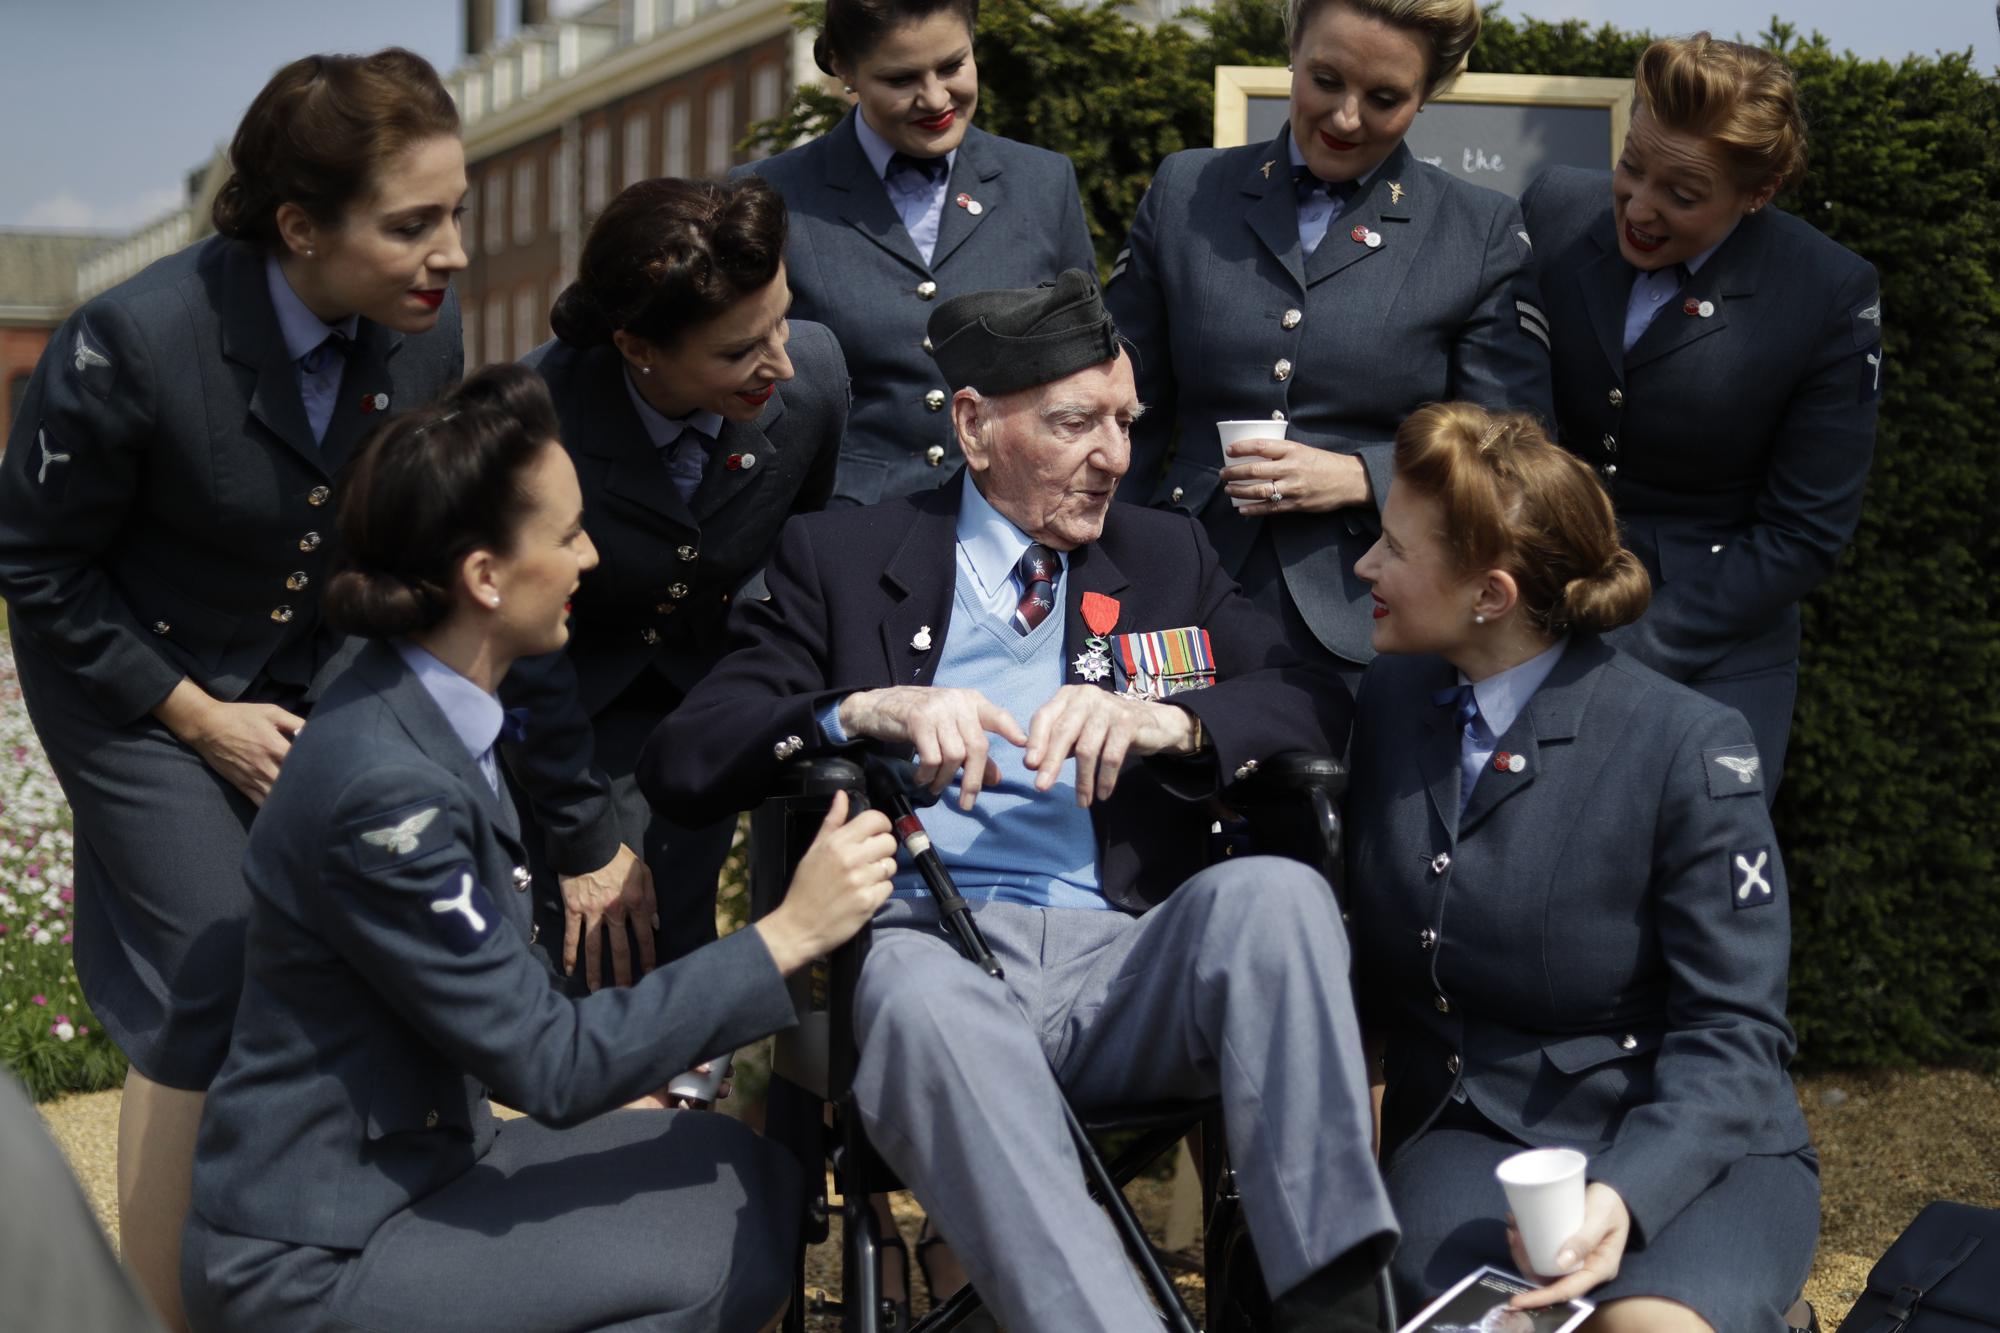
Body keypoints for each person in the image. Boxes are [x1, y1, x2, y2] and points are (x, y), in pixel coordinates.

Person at [642, 271, 1399, 1333]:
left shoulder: (1164, 554)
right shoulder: (846, 559)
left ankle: (1332, 1312)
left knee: (1273, 896)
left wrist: (1171, 724)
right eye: (1073, 422)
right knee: (909, 986)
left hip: (1126, 961)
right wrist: (864, 707)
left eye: (1125, 423)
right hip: (930, 956)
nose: (1114, 456)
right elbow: (686, 757)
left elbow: (1313, 702)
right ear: (973, 424)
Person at [180, 365, 897, 1333]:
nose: (590, 557)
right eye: (565, 534)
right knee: (725, 1251)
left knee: (744, 1169)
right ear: (483, 577)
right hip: (324, 1254)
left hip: (412, 1167)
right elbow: (551, 1068)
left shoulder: (411, 701)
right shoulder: (386, 792)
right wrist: (788, 931)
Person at [0, 50, 466, 1330]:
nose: (453, 252)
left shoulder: (431, 334)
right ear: (300, 227)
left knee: (386, 939)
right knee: (215, 968)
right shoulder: (131, 342)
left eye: (458, 214)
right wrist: (196, 718)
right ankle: (154, 1312)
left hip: (315, 679)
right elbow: (35, 565)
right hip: (133, 680)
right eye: (412, 223)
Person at [1345, 403, 1817, 1332]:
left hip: (1693, 1144)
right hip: (1478, 1135)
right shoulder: (1394, 699)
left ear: (1492, 595)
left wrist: (1626, 1193)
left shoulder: (1687, 745)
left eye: (1393, 549)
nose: (1364, 566)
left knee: (1644, 1327)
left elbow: (1733, 1030)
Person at [1105, 0, 1553, 686]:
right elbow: (1121, 407)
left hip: (1369, 616)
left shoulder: (1480, 230)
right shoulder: (1187, 190)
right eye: (1326, 80)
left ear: (1427, 95)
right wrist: (1106, 568)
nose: (1347, 118)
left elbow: (1514, 445)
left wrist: (1363, 476)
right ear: (1293, 50)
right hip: (1176, 589)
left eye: (1383, 98)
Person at [504, 176, 847, 990]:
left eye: (781, 319)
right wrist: (584, 838)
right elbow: (516, 651)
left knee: (682, 949)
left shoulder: (814, 381)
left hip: (714, 696)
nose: (782, 361)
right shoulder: (533, 418)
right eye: (738, 350)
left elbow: (805, 545)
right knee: (603, 952)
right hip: (564, 708)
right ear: (637, 348)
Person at [1519, 33, 1881, 800]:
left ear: (1760, 191)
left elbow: (1804, 533)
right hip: (1526, 610)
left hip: (1712, 648)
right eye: (1629, 166)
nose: (1640, 207)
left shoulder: (1830, 291)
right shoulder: (1551, 208)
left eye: (1683, 195)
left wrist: (1630, 643)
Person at [734, 0, 1095, 505]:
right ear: (843, 69)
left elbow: (1086, 366)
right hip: (839, 532)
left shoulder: (1043, 182)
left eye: (952, 66)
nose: (935, 98)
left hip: (1013, 520)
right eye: (900, 80)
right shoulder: (769, 197)